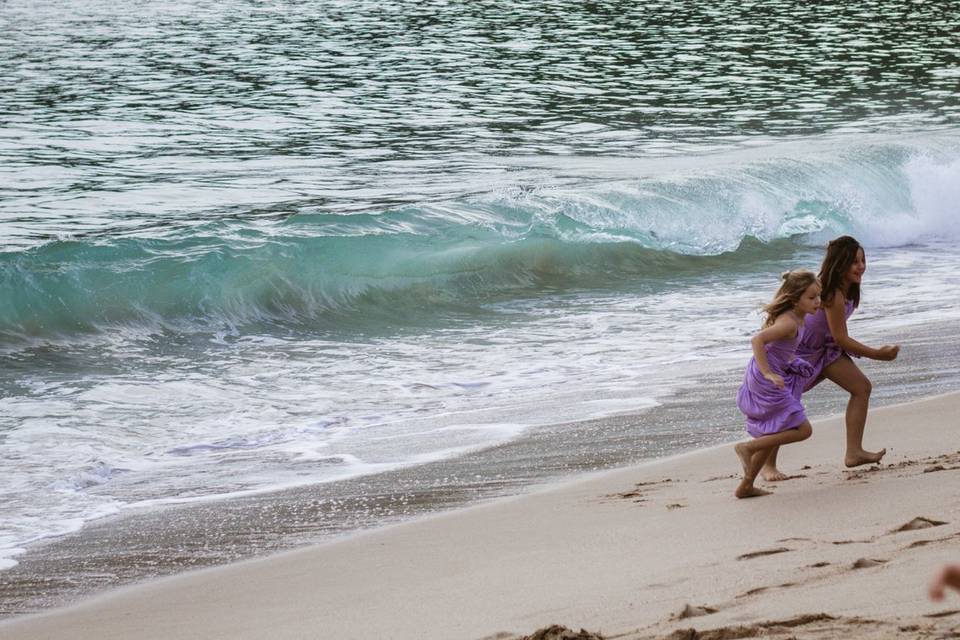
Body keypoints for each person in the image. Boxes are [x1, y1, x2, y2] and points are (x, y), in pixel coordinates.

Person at [760, 236, 900, 481]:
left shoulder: (848, 290)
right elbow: (841, 337)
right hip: (797, 355)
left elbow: (835, 338)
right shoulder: (831, 292)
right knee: (784, 406)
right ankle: (767, 465)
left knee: (861, 387)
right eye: (854, 262)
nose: (861, 266)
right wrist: (878, 354)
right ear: (839, 264)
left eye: (863, 260)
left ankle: (854, 452)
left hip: (825, 352)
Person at [734, 270, 821, 498]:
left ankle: (746, 486)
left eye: (818, 296)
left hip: (771, 374)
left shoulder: (798, 318)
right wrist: (768, 372)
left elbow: (779, 349)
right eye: (811, 298)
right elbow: (758, 340)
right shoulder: (788, 323)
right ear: (794, 299)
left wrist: (793, 361)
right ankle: (748, 447)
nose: (817, 302)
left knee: (774, 429)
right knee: (803, 430)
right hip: (765, 378)